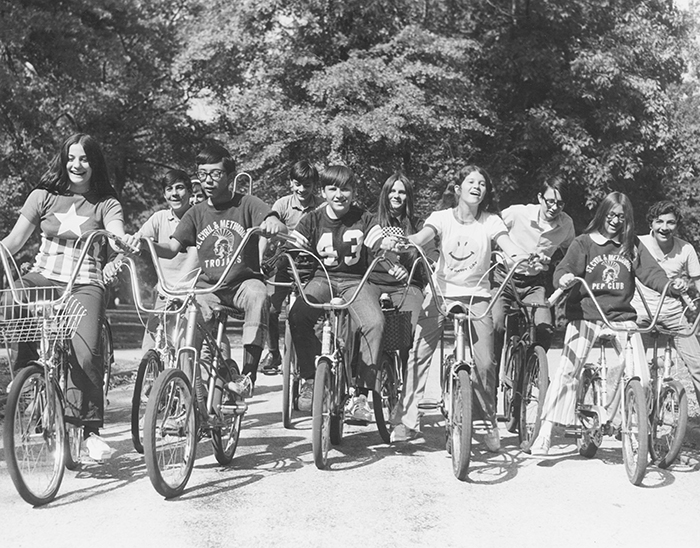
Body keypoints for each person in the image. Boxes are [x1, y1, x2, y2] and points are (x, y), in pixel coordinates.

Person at [388, 165, 536, 449]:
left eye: (482, 183)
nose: (477, 187)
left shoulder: (491, 221)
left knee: (485, 362)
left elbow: (507, 243)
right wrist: (407, 242)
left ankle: (486, 420)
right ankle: (406, 420)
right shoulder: (441, 218)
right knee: (419, 353)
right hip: (442, 293)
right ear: (458, 189)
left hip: (477, 295)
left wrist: (520, 256)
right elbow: (422, 238)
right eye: (471, 182)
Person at [1, 133, 127, 461]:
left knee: (86, 354)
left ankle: (88, 431)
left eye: (84, 158)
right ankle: (30, 376)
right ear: (63, 159)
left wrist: (122, 241)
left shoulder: (106, 202)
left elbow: (116, 233)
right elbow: (13, 242)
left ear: (94, 163)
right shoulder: (43, 196)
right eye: (71, 157)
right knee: (11, 299)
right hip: (43, 275)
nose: (77, 164)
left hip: (84, 283)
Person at [529, 192, 682, 456]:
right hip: (587, 313)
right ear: (603, 214)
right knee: (567, 370)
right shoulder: (584, 243)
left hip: (621, 316)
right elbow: (564, 269)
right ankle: (545, 432)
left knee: (639, 376)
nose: (614, 221)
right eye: (611, 215)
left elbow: (651, 272)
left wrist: (670, 286)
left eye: (621, 217)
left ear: (627, 219)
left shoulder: (630, 244)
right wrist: (564, 278)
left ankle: (626, 425)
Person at [129, 144, 286, 397]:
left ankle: (247, 375)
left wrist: (272, 223)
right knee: (186, 336)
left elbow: (273, 219)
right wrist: (145, 243)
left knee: (260, 295)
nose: (208, 181)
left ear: (230, 177)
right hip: (208, 288)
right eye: (202, 175)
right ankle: (191, 400)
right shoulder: (196, 212)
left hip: (242, 284)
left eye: (215, 174)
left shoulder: (247, 203)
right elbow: (171, 248)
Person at [287, 165, 386, 420]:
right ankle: (310, 378)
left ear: (353, 192)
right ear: (323, 191)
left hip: (357, 281)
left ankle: (361, 395)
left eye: (345, 189)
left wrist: (385, 244)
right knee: (298, 314)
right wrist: (281, 245)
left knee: (374, 322)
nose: (339, 194)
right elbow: (294, 244)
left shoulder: (364, 218)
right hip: (324, 279)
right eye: (332, 189)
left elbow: (376, 239)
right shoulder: (312, 219)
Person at [106, 170, 200, 351]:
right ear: (164, 194)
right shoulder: (159, 218)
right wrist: (114, 264)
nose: (174, 193)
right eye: (169, 189)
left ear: (189, 191)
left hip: (196, 292)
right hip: (166, 292)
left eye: (180, 188)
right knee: (150, 348)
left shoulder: (200, 216)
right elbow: (134, 244)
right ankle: (153, 378)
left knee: (188, 349)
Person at [493, 177, 575, 381]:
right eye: (550, 201)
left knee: (545, 327)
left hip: (533, 284)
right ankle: (491, 380)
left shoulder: (566, 225)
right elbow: (490, 230)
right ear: (540, 198)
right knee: (496, 325)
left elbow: (572, 253)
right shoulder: (517, 213)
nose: (554, 207)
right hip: (504, 278)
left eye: (560, 203)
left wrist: (556, 265)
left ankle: (529, 371)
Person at [631, 200, 700, 404]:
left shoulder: (685, 249)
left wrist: (685, 283)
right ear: (650, 224)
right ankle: (623, 419)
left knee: (697, 364)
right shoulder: (637, 244)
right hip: (640, 313)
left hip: (673, 314)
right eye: (659, 222)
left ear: (677, 225)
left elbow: (697, 282)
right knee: (633, 367)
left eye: (670, 223)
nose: (664, 227)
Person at [259, 160, 323, 375]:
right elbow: (269, 229)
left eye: (307, 185)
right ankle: (274, 352)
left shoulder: (322, 206)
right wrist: (260, 259)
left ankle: (317, 357)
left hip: (312, 264)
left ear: (314, 186)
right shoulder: (283, 204)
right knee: (270, 308)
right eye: (298, 184)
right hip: (286, 262)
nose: (302, 190)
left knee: (315, 312)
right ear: (291, 183)